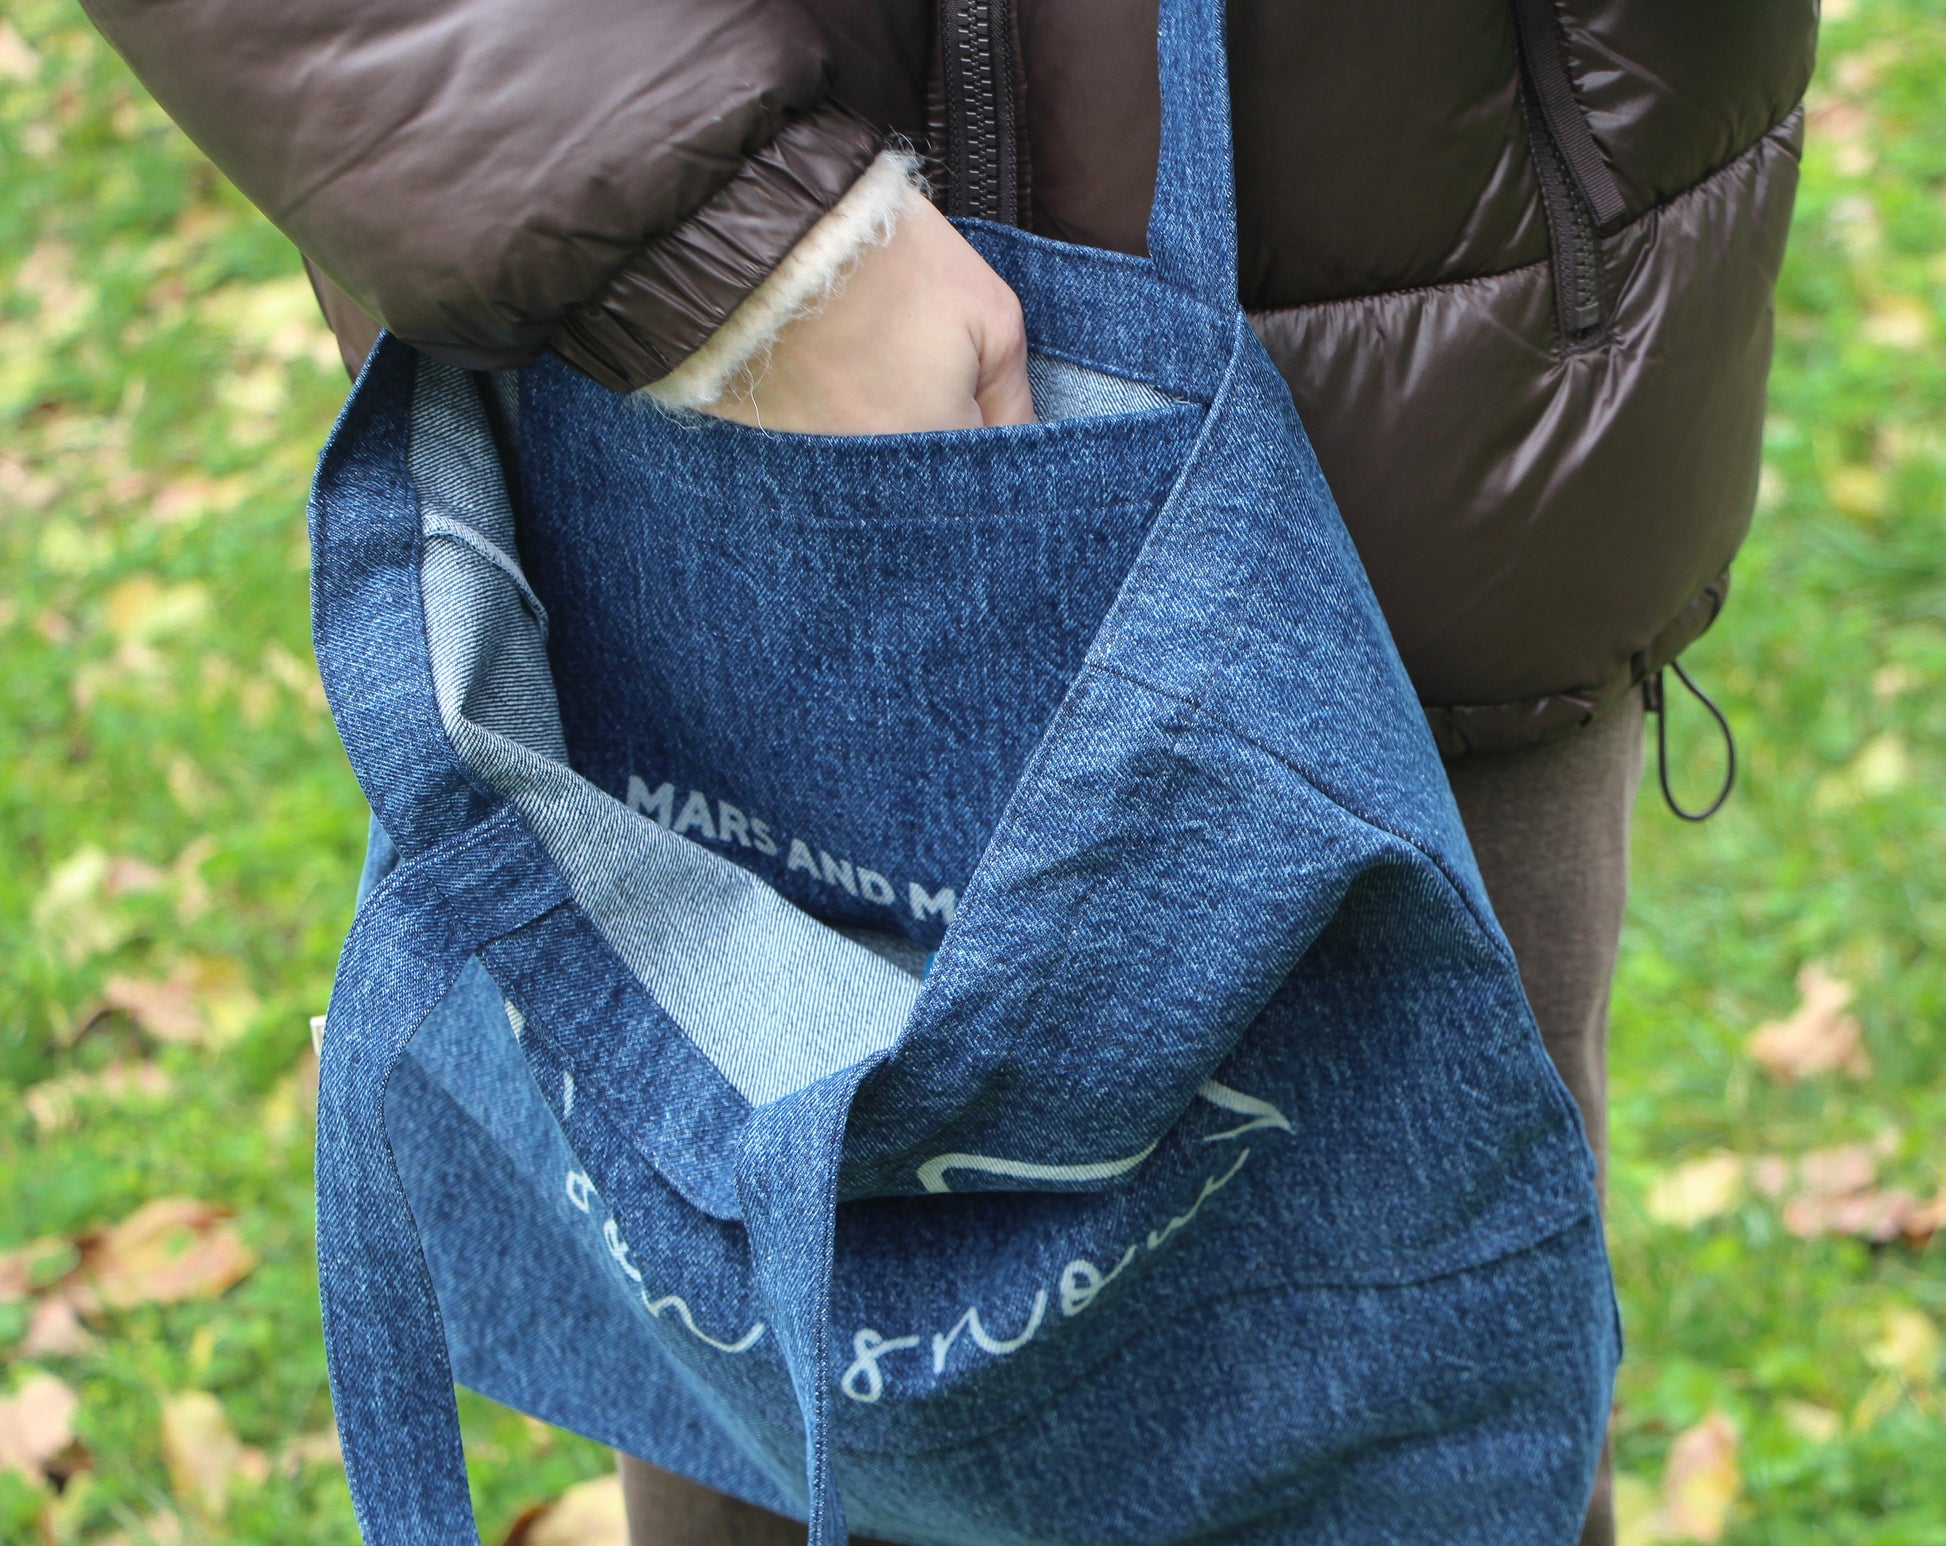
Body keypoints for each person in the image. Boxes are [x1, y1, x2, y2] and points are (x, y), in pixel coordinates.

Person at [79, 2, 1818, 1541]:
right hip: (681, 435)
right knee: (767, 1386)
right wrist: (727, 245)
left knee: (1372, 1400)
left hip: (1410, 400)